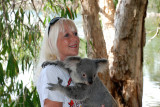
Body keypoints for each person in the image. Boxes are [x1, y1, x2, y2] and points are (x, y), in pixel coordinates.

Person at [35, 17, 81, 107]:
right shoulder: (51, 72)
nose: (75, 39)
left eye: (75, 34)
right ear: (53, 41)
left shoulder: (74, 71)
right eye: (66, 35)